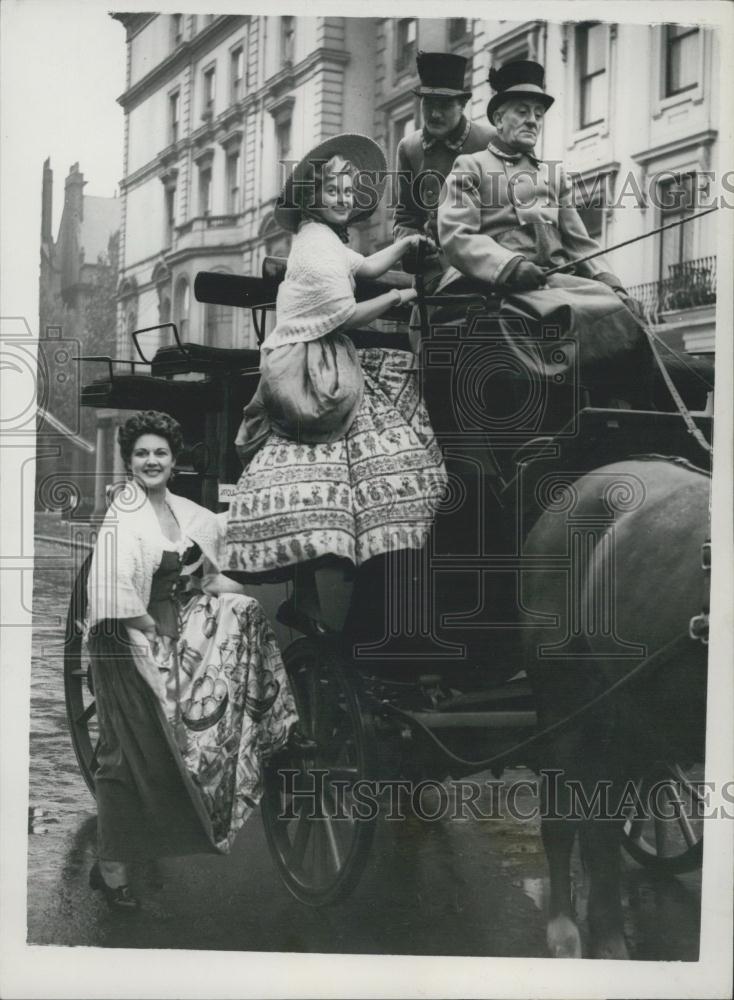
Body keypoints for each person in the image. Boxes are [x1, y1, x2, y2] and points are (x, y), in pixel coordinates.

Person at [226, 133, 448, 636]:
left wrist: (406, 244)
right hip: (306, 371)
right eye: (334, 192)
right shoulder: (315, 249)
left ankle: (334, 581)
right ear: (311, 198)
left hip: (324, 355)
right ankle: (325, 585)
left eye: (349, 192)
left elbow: (366, 266)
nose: (344, 199)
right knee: (354, 456)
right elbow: (345, 315)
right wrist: (403, 297)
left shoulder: (325, 238)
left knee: (381, 410)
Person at [85, 410, 298, 911]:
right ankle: (111, 867)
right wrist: (151, 640)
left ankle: (260, 735)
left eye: (160, 453)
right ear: (129, 462)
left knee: (174, 746)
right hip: (123, 639)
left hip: (170, 629)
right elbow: (113, 595)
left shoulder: (186, 514)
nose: (151, 461)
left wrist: (231, 590)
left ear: (174, 462)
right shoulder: (123, 516)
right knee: (125, 750)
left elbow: (209, 578)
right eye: (141, 454)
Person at [435, 59, 648, 400]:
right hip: (496, 287)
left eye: (538, 113)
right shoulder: (471, 166)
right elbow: (457, 235)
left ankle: (620, 410)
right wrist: (510, 266)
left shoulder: (554, 175)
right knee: (566, 313)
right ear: (497, 118)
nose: (533, 120)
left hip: (552, 280)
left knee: (625, 310)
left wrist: (609, 281)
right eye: (522, 111)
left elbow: (581, 243)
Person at [394, 50, 495, 287]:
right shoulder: (409, 148)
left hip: (484, 272)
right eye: (428, 104)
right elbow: (406, 217)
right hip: (432, 276)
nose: (435, 114)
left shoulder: (490, 142)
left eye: (445, 105)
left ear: (462, 104)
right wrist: (413, 244)